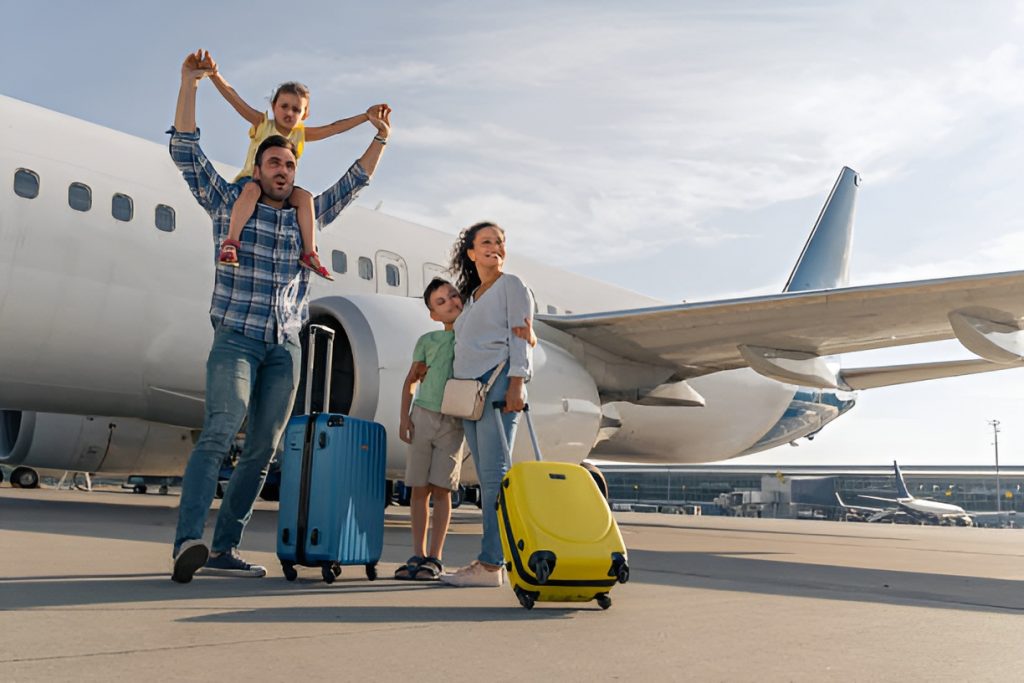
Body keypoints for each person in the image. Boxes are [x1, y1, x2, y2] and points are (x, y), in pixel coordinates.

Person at [168, 50, 391, 583]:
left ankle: (224, 550)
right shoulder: (229, 203)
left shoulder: (304, 221)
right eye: (274, 163)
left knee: (265, 448)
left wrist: (378, 136)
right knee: (221, 429)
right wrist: (190, 83)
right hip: (237, 338)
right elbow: (185, 150)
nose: (283, 170)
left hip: (285, 347)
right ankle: (188, 542)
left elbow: (353, 182)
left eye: (290, 163)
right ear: (258, 167)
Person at [395, 279, 536, 581]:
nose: (451, 303)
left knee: (443, 489)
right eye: (441, 302)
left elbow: (508, 337)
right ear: (433, 314)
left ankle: (435, 558)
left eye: (453, 296)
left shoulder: (473, 338)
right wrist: (404, 418)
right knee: (419, 489)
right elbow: (412, 379)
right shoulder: (428, 340)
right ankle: (417, 554)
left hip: (454, 420)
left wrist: (528, 335)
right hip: (423, 416)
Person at [205, 51, 377, 280]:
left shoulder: (302, 134)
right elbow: (235, 99)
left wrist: (366, 117)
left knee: (304, 198)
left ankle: (309, 253)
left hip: (280, 188)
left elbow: (335, 127)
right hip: (253, 180)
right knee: (252, 190)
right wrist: (215, 74)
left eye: (296, 109)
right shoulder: (262, 124)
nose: (289, 112)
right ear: (273, 106)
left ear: (305, 114)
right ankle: (231, 243)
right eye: (284, 106)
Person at [440, 222, 535, 588]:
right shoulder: (475, 295)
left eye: (499, 242)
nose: (494, 247)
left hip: (497, 388)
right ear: (471, 253)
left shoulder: (512, 285)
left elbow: (521, 336)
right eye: (486, 242)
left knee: (495, 480)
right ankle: (491, 562)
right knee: (486, 479)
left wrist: (518, 382)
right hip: (470, 395)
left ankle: (492, 564)